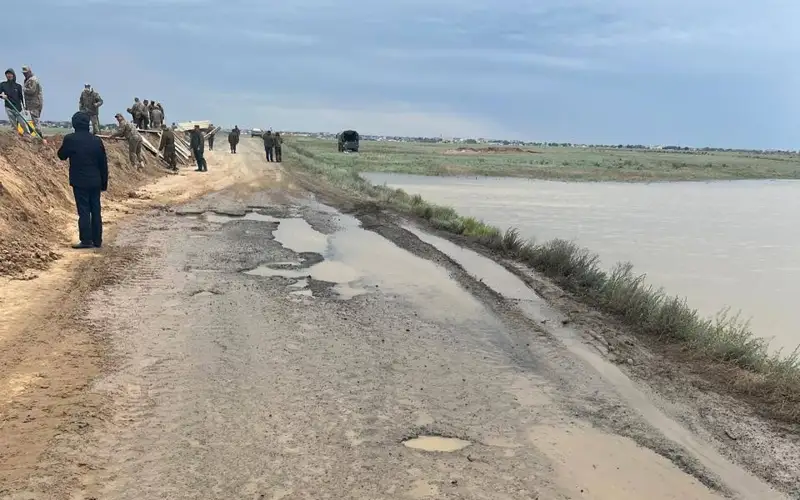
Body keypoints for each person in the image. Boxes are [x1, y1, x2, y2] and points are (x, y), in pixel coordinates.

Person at [56, 111, 108, 249]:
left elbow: (61, 155)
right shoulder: (97, 140)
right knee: (96, 210)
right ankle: (97, 241)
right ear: (88, 124)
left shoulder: (70, 139)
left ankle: (86, 241)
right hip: (96, 181)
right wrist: (104, 183)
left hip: (79, 182)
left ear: (74, 124)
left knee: (84, 210)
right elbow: (103, 164)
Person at [20, 65, 42, 132]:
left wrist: (23, 89)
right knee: (31, 120)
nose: (25, 74)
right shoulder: (28, 79)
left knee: (35, 120)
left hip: (34, 103)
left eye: (26, 73)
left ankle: (39, 136)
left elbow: (31, 91)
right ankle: (33, 134)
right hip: (31, 103)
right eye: (24, 73)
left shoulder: (33, 80)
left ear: (29, 72)